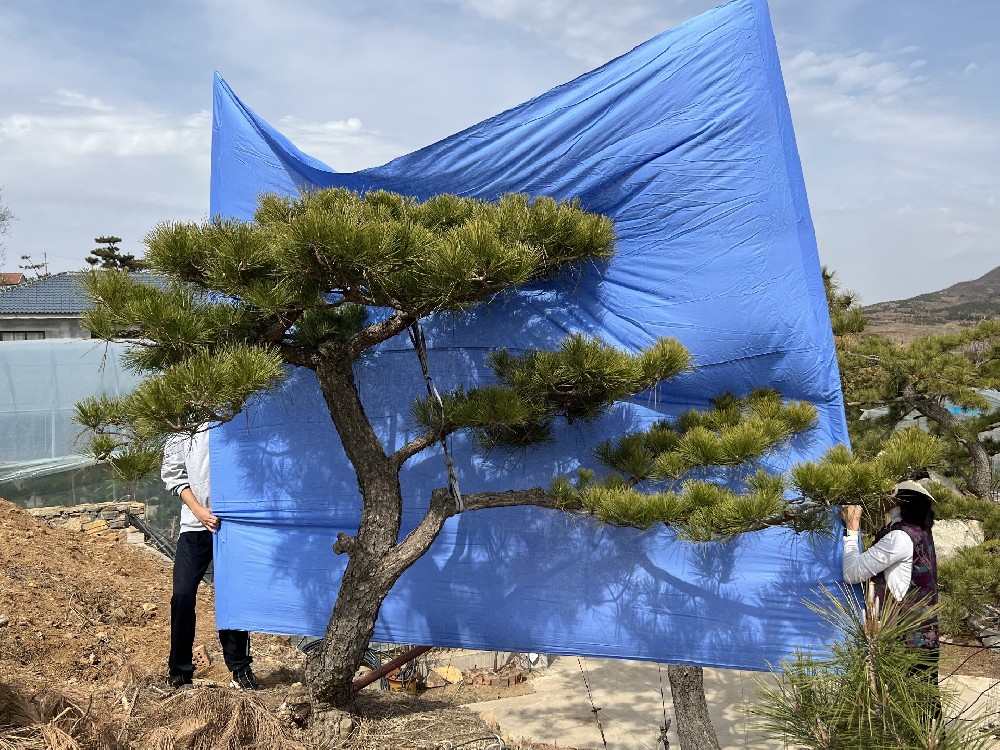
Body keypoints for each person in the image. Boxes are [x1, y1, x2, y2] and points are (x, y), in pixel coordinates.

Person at [161, 429, 259, 690]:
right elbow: (174, 474)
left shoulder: (234, 416)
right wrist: (199, 511)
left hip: (234, 525)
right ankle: (180, 671)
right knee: (182, 595)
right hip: (195, 525)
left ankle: (239, 668)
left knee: (232, 595)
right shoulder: (180, 426)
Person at [840, 479, 939, 712]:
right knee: (925, 712)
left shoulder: (899, 537)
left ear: (896, 500)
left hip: (903, 640)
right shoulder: (920, 533)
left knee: (904, 712)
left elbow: (852, 573)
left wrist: (852, 528)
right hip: (923, 637)